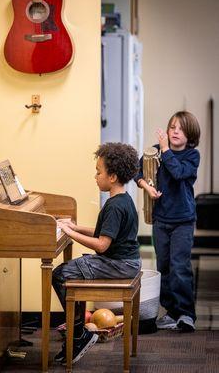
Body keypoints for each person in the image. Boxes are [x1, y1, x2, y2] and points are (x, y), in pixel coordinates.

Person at [53, 142, 141, 365]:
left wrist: (68, 233)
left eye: (98, 171)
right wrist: (73, 226)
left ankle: (78, 335)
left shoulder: (114, 206)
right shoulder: (123, 199)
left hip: (119, 264)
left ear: (111, 177)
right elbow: (104, 233)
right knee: (70, 273)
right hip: (125, 261)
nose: (95, 176)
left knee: (61, 274)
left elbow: (101, 245)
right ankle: (78, 334)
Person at [136, 111, 201, 332]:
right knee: (163, 267)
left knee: (180, 267)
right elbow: (137, 171)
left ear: (190, 135)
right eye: (172, 127)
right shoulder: (154, 151)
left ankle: (186, 314)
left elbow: (179, 173)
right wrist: (147, 187)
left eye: (181, 129)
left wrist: (165, 150)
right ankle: (171, 313)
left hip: (183, 220)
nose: (175, 131)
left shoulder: (192, 156)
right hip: (161, 220)